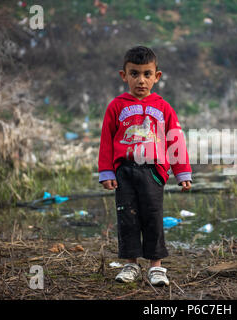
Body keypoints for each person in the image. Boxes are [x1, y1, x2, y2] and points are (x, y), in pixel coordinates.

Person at [98, 46, 192, 286]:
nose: (141, 80)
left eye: (147, 74)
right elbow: (107, 141)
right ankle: (130, 264)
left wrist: (182, 172)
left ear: (156, 77)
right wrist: (107, 171)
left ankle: (156, 266)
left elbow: (175, 139)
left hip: (153, 172)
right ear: (124, 75)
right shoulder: (116, 107)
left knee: (152, 216)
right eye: (135, 73)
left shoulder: (164, 107)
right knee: (127, 217)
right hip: (124, 172)